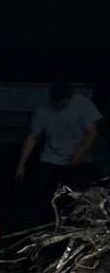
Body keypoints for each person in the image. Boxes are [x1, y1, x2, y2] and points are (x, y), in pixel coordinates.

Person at [16, 84, 101, 219]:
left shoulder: (83, 104)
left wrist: (80, 152)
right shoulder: (43, 110)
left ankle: (73, 222)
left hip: (76, 161)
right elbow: (32, 137)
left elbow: (92, 132)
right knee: (44, 197)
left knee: (76, 198)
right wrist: (21, 165)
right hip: (51, 159)